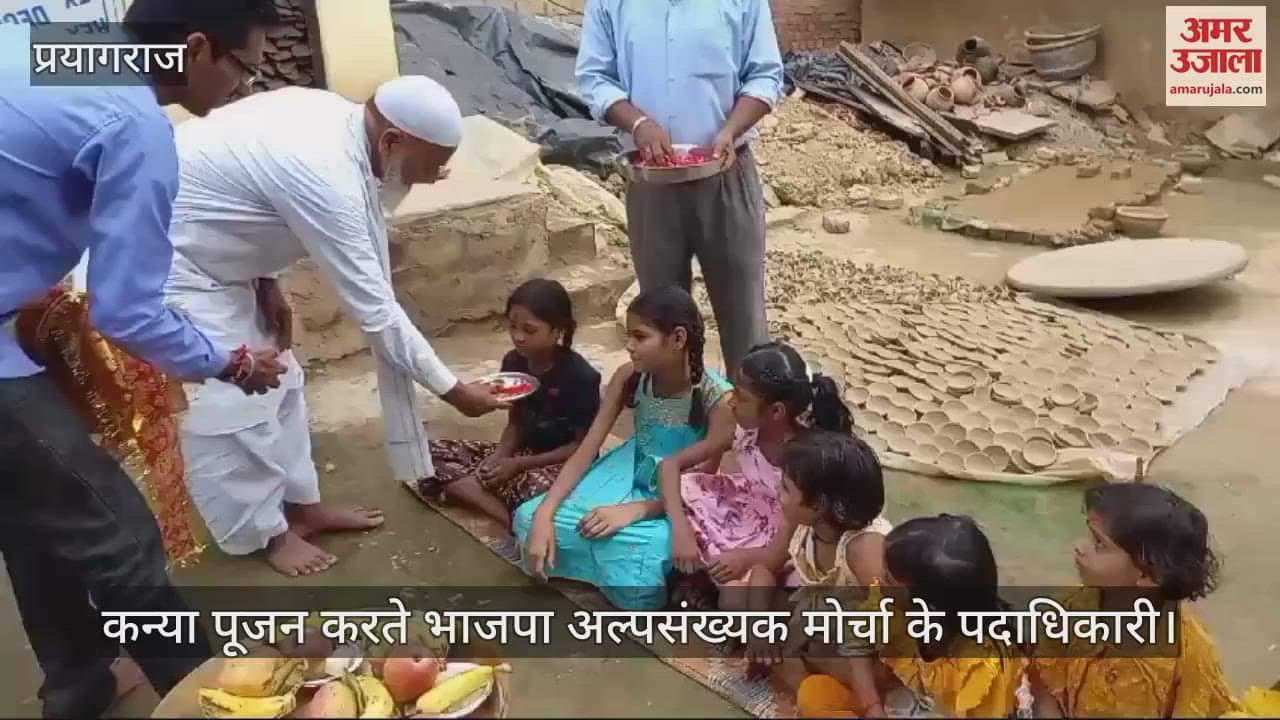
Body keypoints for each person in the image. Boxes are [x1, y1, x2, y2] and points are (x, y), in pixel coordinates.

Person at [0, 0, 285, 716]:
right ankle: (217, 704)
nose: (243, 88)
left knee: (34, 513)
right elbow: (128, 311)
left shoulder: (53, 42)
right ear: (194, 48)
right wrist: (233, 363)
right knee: (118, 536)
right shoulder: (135, 124)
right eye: (244, 68)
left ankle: (78, 686)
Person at [163, 75, 509, 577]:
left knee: (282, 380)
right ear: (392, 141)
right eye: (425, 170)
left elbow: (252, 203)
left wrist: (267, 281)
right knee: (228, 408)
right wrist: (454, 391)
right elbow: (378, 313)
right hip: (173, 269)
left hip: (230, 267)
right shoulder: (326, 171)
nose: (426, 181)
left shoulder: (340, 122)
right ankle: (266, 534)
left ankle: (301, 507)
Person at [575, 0, 784, 375]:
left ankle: (750, 424)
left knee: (743, 313)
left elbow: (766, 76)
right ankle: (674, 416)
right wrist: (638, 124)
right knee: (661, 317)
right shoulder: (609, 4)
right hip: (651, 182)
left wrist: (730, 129)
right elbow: (594, 78)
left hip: (726, 175)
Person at [515, 286, 734, 610]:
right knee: (527, 518)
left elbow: (705, 484)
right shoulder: (629, 377)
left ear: (677, 339)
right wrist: (546, 512)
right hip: (626, 471)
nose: (629, 346)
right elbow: (588, 448)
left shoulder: (717, 398)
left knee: (647, 553)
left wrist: (635, 512)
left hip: (679, 500)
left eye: (640, 336)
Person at [659, 341, 855, 609]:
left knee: (746, 597)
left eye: (741, 397)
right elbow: (670, 466)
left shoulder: (804, 462)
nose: (730, 402)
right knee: (686, 489)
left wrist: (743, 560)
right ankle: (708, 582)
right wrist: (681, 530)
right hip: (747, 512)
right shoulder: (743, 431)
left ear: (776, 411)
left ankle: (711, 585)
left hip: (785, 539)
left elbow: (782, 547)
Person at [1032, 484, 1240, 718]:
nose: (1080, 547)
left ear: (1147, 574)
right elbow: (1044, 682)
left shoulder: (1191, 652)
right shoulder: (1068, 608)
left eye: (1099, 544)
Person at [797, 514, 1028, 718]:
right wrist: (872, 706)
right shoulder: (889, 601)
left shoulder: (981, 665)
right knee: (815, 693)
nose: (879, 579)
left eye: (888, 578)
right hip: (906, 700)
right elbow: (857, 645)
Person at [422, 279, 602, 530]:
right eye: (513, 326)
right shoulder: (514, 362)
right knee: (427, 453)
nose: (518, 337)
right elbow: (516, 423)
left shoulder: (581, 377)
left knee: (535, 492)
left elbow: (583, 447)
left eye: (529, 330)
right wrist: (499, 456)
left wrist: (518, 465)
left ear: (557, 330)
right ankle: (507, 513)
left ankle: (491, 506)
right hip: (524, 453)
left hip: (561, 463)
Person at [742, 432, 892, 715]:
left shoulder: (862, 548)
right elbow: (764, 569)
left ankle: (827, 693)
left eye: (786, 488)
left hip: (868, 648)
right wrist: (759, 630)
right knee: (741, 604)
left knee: (811, 659)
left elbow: (895, 629)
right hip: (823, 624)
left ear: (818, 505)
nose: (778, 493)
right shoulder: (803, 525)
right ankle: (812, 686)